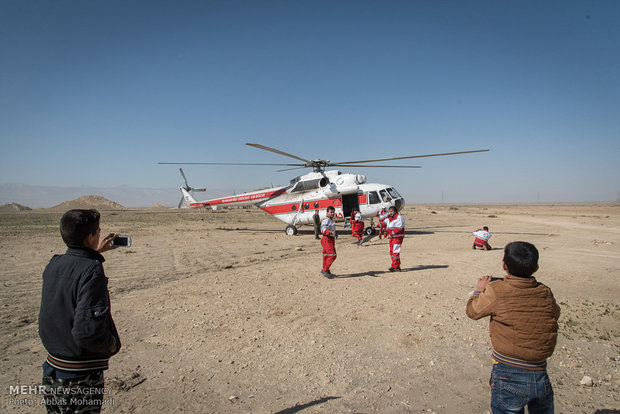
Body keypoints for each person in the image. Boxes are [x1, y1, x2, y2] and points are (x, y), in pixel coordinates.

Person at [39, 209, 122, 413]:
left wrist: (95, 252)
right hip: (79, 376)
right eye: (98, 231)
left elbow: (74, 272)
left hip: (53, 368)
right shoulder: (91, 270)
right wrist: (112, 345)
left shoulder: (54, 264)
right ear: (90, 237)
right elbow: (87, 333)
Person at [466, 241, 561, 414]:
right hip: (540, 372)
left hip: (508, 372)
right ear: (537, 267)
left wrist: (480, 290)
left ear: (504, 265)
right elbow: (555, 313)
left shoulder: (497, 290)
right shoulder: (545, 291)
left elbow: (473, 312)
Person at [380, 206, 405, 271]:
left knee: (395, 252)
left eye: (391, 211)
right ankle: (393, 265)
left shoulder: (399, 218)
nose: (390, 213)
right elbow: (383, 223)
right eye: (389, 211)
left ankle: (397, 267)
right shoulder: (389, 218)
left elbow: (399, 228)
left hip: (397, 238)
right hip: (392, 238)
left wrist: (391, 234)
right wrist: (375, 226)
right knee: (391, 252)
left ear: (395, 211)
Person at [320, 206, 337, 279]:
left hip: (329, 239)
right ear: (327, 212)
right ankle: (325, 270)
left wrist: (335, 233)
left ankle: (325, 269)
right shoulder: (326, 220)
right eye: (331, 212)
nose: (332, 213)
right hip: (327, 239)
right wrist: (330, 232)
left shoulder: (330, 220)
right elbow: (323, 229)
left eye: (333, 212)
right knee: (332, 255)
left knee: (326, 255)